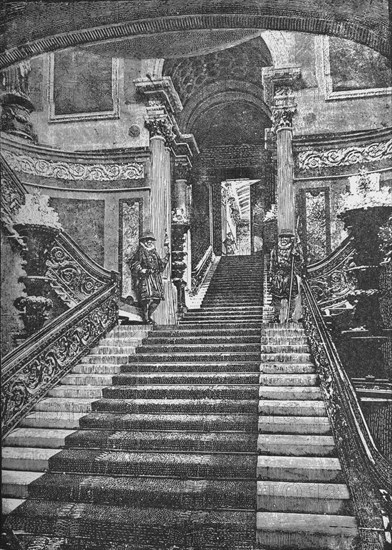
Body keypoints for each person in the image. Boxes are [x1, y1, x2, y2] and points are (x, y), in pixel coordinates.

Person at [128, 231, 170, 325]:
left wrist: (167, 256)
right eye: (147, 240)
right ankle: (146, 318)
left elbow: (160, 265)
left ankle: (149, 316)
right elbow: (134, 263)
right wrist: (141, 270)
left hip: (155, 278)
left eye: (151, 240)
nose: (150, 242)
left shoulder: (154, 252)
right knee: (145, 300)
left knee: (157, 299)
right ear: (144, 241)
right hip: (145, 278)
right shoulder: (141, 251)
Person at [270, 229, 304, 323]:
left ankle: (290, 316)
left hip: (290, 274)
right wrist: (271, 275)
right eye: (282, 237)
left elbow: (301, 261)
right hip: (278, 275)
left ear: (290, 239)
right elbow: (272, 263)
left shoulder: (294, 248)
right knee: (276, 297)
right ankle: (276, 316)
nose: (284, 239)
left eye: (286, 237)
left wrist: (296, 256)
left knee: (291, 296)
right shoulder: (275, 249)